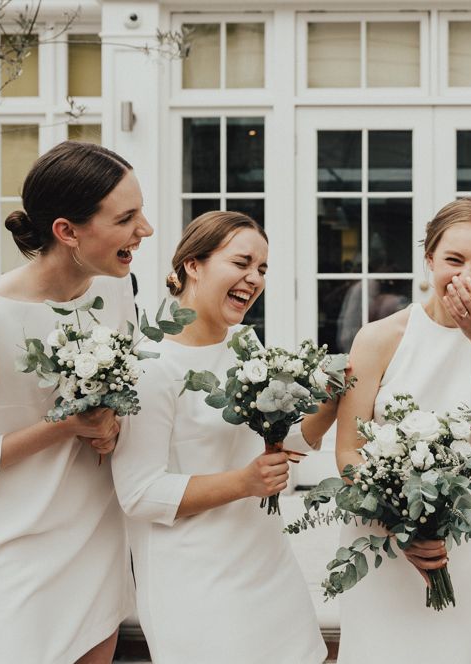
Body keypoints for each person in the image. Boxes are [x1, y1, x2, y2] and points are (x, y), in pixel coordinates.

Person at [112, 211, 331, 664]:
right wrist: (244, 483)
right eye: (242, 263)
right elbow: (139, 494)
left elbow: (279, 443)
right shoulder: (152, 366)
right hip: (198, 584)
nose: (254, 278)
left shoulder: (245, 346)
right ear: (193, 264)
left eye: (263, 269)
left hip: (269, 567)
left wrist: (332, 403)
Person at [334, 197, 471, 663]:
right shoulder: (379, 337)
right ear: (429, 258)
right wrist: (402, 524)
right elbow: (348, 451)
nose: (467, 274)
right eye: (454, 259)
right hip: (380, 542)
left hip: (458, 545)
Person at [0, 141, 153, 663]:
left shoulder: (118, 295)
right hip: (13, 554)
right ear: (67, 231)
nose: (144, 230)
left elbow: (124, 406)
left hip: (98, 543)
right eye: (126, 217)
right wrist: (66, 426)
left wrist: (111, 424)